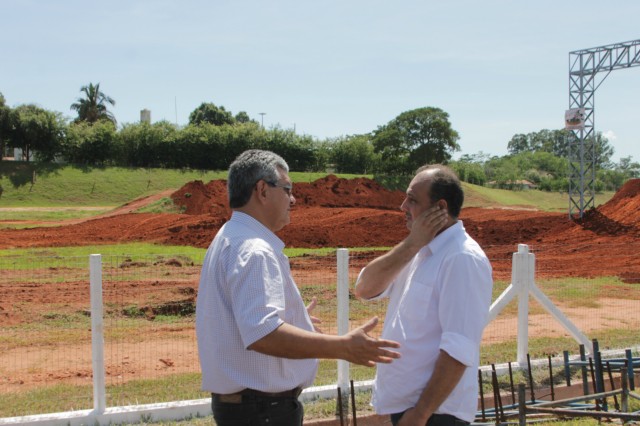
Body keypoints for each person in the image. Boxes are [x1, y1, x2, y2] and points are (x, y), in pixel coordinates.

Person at [195, 149, 401, 426]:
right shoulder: (255, 250)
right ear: (262, 190)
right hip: (264, 412)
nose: (292, 199)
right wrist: (343, 347)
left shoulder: (230, 238)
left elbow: (249, 323)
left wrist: (292, 321)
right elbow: (263, 334)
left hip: (250, 410)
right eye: (287, 189)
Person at [354, 164, 493, 426]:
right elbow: (364, 288)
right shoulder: (418, 249)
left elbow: (459, 348)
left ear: (440, 208)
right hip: (415, 411)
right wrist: (412, 243)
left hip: (435, 415)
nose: (403, 206)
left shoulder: (461, 258)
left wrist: (420, 414)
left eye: (413, 200)